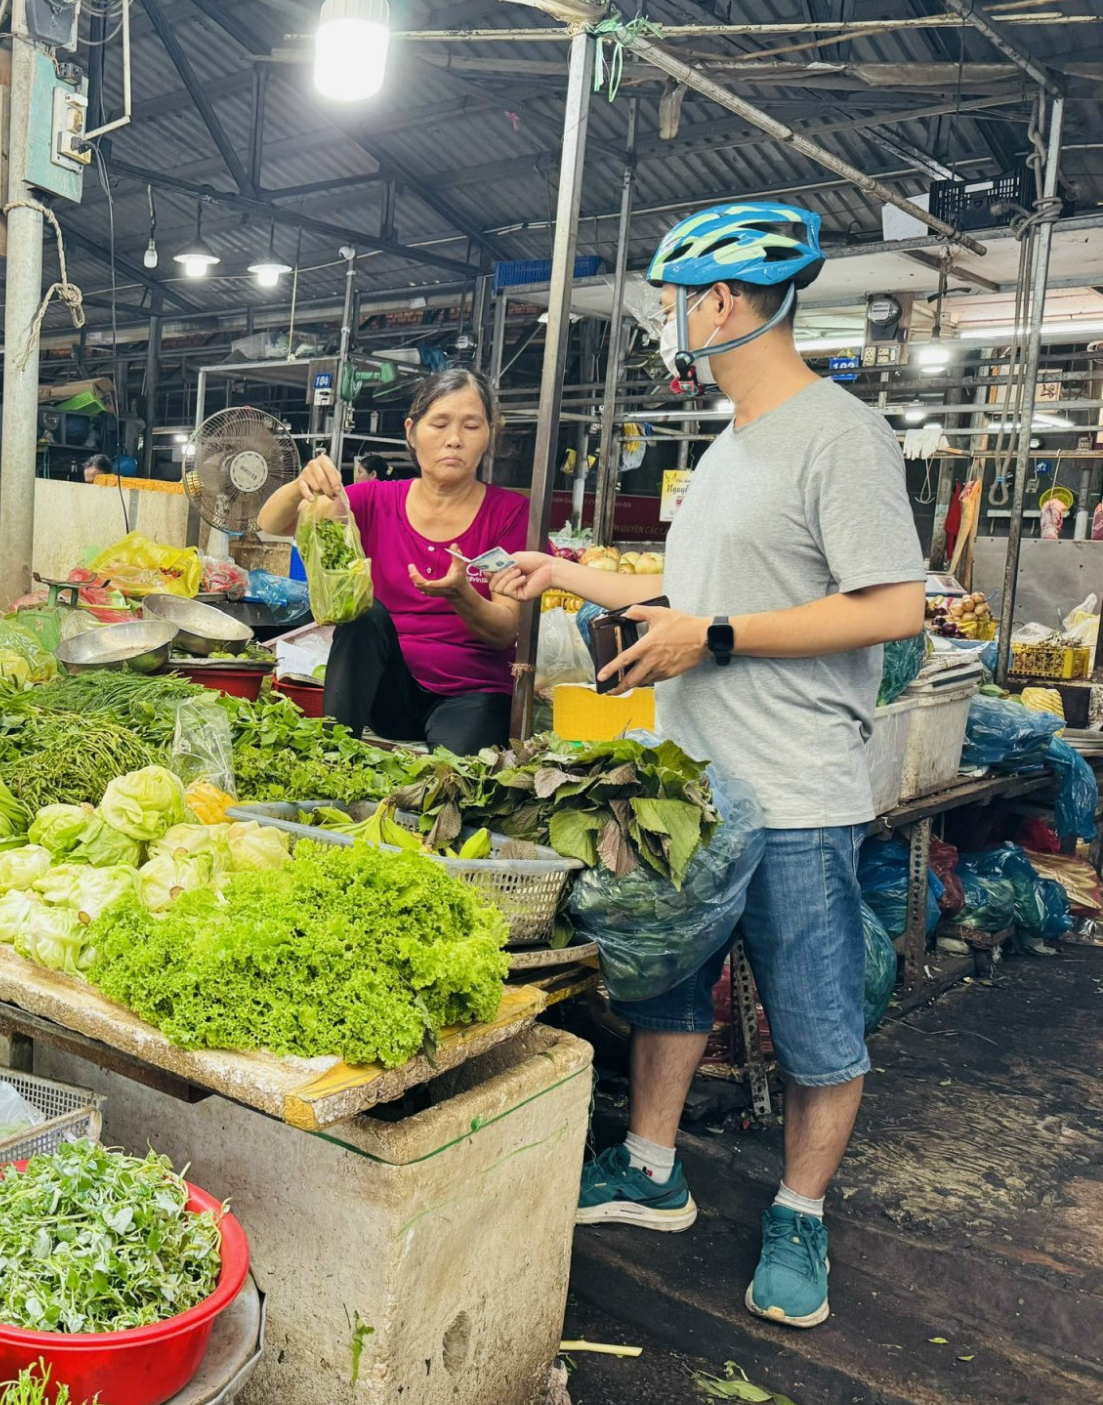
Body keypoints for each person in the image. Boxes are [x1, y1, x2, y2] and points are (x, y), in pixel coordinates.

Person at [490, 201, 925, 1330]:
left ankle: (798, 1211)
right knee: (669, 985)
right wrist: (562, 575)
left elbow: (890, 605)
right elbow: (691, 603)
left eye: (676, 304)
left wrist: (716, 638)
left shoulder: (840, 434)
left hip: (789, 793)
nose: (671, 324)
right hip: (687, 790)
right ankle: (649, 1169)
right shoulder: (727, 446)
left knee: (815, 1019)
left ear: (722, 303)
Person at [257, 368, 526, 753]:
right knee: (364, 614)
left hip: (473, 695)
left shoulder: (510, 514)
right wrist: (302, 483)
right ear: (411, 432)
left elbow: (505, 631)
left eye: (471, 426)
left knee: (452, 784)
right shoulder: (375, 500)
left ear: (489, 435)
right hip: (388, 693)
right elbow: (272, 522)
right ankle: (331, 754)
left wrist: (462, 595)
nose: (454, 440)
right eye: (439, 424)